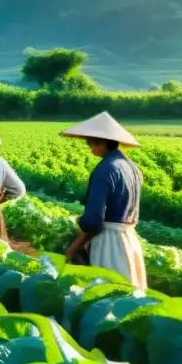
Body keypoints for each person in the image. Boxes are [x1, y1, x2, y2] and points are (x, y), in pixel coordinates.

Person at [61, 112, 147, 288]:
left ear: (101, 141)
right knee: (130, 296)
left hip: (109, 243)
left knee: (106, 295)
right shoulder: (133, 168)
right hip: (130, 239)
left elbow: (93, 221)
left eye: (90, 142)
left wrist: (76, 240)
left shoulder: (105, 169)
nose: (89, 147)